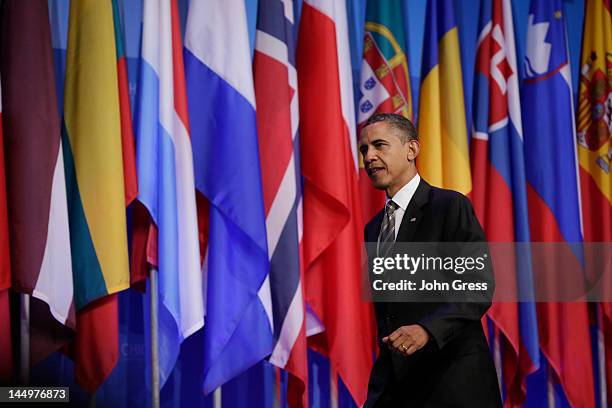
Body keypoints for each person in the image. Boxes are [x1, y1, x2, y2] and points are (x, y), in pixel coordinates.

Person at [360, 113, 501, 407]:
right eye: (364, 149)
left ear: (412, 149)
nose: (369, 157)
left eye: (379, 145)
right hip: (396, 384)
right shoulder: (373, 228)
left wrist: (427, 330)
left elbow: (477, 286)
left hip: (451, 380)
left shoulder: (448, 207)